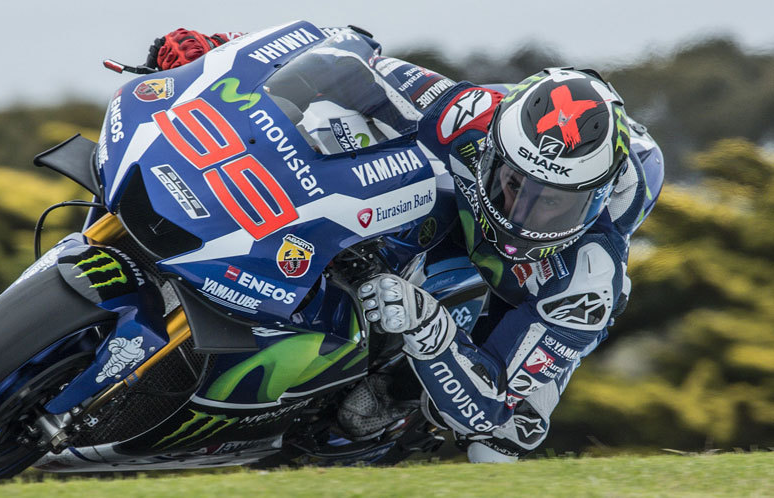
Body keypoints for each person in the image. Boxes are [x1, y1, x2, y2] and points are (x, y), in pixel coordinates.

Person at [145, 27, 664, 463]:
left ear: (593, 201)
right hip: (465, 195)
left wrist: (429, 328)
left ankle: (393, 409)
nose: (523, 214)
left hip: (524, 299)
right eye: (513, 183)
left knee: (505, 440)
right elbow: (347, 68)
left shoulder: (590, 274)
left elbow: (494, 410)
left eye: (554, 204)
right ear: (494, 151)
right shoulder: (473, 118)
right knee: (349, 134)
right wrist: (217, 58)